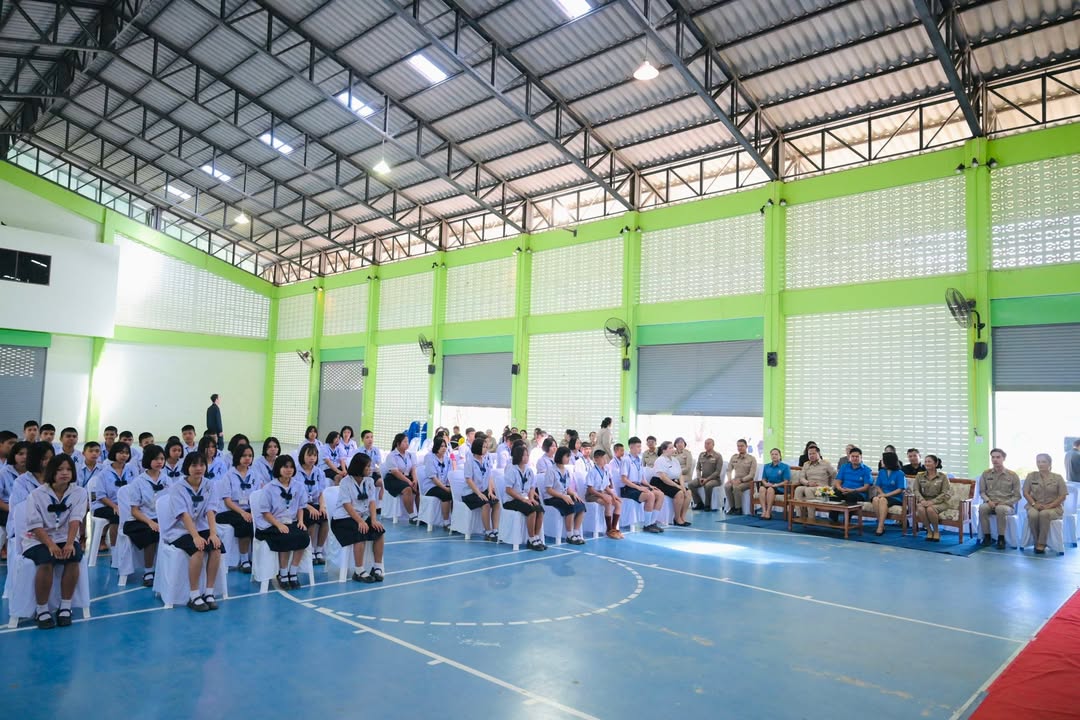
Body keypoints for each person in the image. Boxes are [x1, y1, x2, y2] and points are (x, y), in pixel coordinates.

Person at [23, 454, 87, 629]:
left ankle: (65, 606)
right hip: (37, 539)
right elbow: (35, 525)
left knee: (74, 556)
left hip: (65, 537)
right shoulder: (36, 495)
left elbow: (75, 519)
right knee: (46, 560)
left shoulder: (79, 493)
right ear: (51, 472)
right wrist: (50, 545)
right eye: (59, 470)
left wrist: (69, 543)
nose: (65, 473)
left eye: (68, 469)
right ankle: (42, 609)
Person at [162, 452, 223, 612]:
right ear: (187, 468)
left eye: (202, 465)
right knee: (198, 550)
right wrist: (195, 536)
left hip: (202, 527)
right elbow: (183, 515)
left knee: (216, 548)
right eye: (194, 465)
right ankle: (194, 595)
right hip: (179, 530)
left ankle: (209, 593)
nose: (198, 468)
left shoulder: (210, 485)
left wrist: (213, 533)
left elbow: (211, 510)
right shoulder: (178, 488)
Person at [254, 454, 311, 589]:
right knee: (285, 537)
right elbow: (265, 512)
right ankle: (283, 573)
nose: (289, 470)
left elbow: (301, 506)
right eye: (285, 467)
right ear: (278, 468)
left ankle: (293, 572)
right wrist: (278, 524)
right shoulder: (269, 488)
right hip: (271, 523)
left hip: (291, 521)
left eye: (291, 467)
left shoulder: (298, 486)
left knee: (303, 536)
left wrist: (301, 521)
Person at [330, 452, 385, 583]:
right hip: (343, 518)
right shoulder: (345, 482)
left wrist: (373, 519)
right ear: (359, 467)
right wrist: (360, 521)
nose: (370, 468)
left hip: (362, 516)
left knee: (379, 531)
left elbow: (372, 502)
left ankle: (377, 567)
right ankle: (359, 571)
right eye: (367, 466)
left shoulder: (369, 481)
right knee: (360, 532)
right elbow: (347, 505)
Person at [126, 444, 169, 587]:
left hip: (161, 518)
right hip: (140, 519)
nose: (159, 462)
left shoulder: (167, 480)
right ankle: (148, 571)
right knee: (151, 532)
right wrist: (150, 522)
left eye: (162, 459)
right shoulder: (138, 482)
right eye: (156, 459)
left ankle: (167, 569)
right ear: (148, 460)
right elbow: (134, 510)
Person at [218, 443, 258, 573]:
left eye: (250, 456)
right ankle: (244, 559)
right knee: (244, 522)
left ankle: (255, 557)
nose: (247, 458)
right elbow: (227, 501)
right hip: (230, 510)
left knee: (260, 520)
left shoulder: (254, 474)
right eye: (244, 455)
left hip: (249, 508)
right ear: (237, 457)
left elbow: (257, 495)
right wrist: (242, 513)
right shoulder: (229, 475)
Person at [1023, 453, 1067, 555]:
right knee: (1032, 514)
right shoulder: (1031, 476)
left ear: (1049, 463)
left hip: (1054, 507)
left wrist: (1049, 506)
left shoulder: (1058, 477)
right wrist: (1034, 504)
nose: (1040, 464)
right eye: (1038, 462)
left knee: (1044, 514)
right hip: (1035, 505)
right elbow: (1025, 492)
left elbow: (1063, 496)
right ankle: (1036, 541)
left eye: (1043, 462)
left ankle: (1041, 543)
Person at [504, 443, 545, 550]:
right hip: (511, 500)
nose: (527, 457)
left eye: (527, 455)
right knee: (532, 510)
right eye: (524, 455)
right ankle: (531, 539)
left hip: (525, 499)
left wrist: (531, 498)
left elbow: (532, 487)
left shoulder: (529, 470)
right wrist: (523, 499)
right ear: (518, 456)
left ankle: (536, 537)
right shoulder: (512, 470)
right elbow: (508, 490)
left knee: (540, 509)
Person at [541, 447, 586, 544]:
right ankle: (569, 535)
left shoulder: (566, 471)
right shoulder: (551, 470)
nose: (569, 458)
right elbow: (549, 489)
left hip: (564, 496)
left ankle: (576, 532)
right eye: (567, 456)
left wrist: (574, 494)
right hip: (551, 498)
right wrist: (563, 496)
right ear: (560, 456)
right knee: (570, 505)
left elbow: (567, 488)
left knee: (581, 505)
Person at [978, 448, 1021, 549]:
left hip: (1006, 505)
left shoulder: (1012, 475)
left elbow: (1017, 496)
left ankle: (1001, 538)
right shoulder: (986, 473)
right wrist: (988, 501)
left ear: (1004, 458)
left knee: (1000, 509)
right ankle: (987, 536)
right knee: (982, 508)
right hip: (990, 503)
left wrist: (1005, 502)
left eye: (998, 457)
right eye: (993, 457)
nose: (995, 460)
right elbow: (982, 492)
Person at [620, 437, 665, 533]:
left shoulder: (639, 460)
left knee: (660, 494)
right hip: (628, 488)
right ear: (631, 447)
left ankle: (652, 522)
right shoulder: (626, 460)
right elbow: (624, 479)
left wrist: (650, 486)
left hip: (638, 486)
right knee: (650, 495)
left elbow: (642, 479)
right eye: (638, 446)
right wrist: (639, 488)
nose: (640, 449)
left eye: (640, 446)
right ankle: (647, 525)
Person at [463, 436, 500, 541]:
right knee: (486, 504)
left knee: (496, 503)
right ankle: (488, 532)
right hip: (470, 493)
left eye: (486, 447)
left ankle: (495, 529)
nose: (486, 449)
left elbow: (489, 477)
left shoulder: (485, 460)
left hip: (483, 490)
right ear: (477, 447)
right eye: (484, 447)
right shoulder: (469, 462)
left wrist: (490, 491)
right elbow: (469, 480)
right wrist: (479, 494)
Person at [652, 441, 691, 527]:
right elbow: (663, 477)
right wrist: (678, 486)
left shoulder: (675, 460)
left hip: (671, 481)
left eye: (673, 447)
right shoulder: (660, 460)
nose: (673, 449)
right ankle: (677, 518)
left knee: (688, 493)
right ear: (664, 450)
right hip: (659, 482)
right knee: (679, 493)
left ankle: (682, 517)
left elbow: (680, 475)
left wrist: (682, 486)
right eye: (670, 448)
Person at [914, 455, 951, 542]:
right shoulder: (920, 476)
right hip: (924, 500)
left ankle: (936, 531)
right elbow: (916, 490)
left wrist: (933, 501)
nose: (927, 463)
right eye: (925, 461)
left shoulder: (943, 477)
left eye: (929, 461)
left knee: (930, 509)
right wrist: (922, 500)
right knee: (920, 508)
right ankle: (929, 531)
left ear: (936, 463)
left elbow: (945, 493)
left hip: (940, 502)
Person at [586, 449, 622, 539]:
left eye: (605, 458)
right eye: (603, 458)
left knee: (618, 503)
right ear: (596, 459)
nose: (605, 460)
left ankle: (614, 528)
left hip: (602, 493)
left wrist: (613, 495)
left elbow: (606, 486)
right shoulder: (592, 471)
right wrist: (603, 496)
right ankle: (609, 530)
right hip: (592, 495)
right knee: (608, 502)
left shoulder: (605, 470)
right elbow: (590, 489)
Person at [793, 446, 836, 521]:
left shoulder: (826, 463)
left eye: (813, 453)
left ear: (819, 453)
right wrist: (808, 483)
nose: (811, 456)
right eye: (809, 454)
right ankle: (799, 515)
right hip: (809, 485)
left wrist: (832, 488)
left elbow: (835, 476)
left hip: (824, 489)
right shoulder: (806, 464)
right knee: (798, 489)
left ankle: (811, 517)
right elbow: (801, 478)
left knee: (808, 490)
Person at [385, 432, 419, 524]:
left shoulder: (410, 455)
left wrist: (415, 480)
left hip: (407, 476)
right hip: (393, 479)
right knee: (407, 489)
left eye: (408, 441)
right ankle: (412, 516)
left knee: (420, 489)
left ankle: (420, 514)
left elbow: (413, 469)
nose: (407, 444)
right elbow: (395, 472)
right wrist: (409, 482)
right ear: (398, 443)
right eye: (405, 442)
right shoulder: (392, 455)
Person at [870, 451, 907, 535]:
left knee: (882, 500)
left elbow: (900, 489)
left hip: (896, 497)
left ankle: (880, 526)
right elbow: (878, 485)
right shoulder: (882, 472)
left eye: (883, 460)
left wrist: (885, 495)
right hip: (883, 495)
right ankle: (881, 524)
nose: (881, 461)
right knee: (875, 499)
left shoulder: (900, 473)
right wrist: (882, 494)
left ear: (888, 461)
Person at [421, 437, 452, 529]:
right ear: (436, 447)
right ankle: (446, 522)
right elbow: (433, 478)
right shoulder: (429, 458)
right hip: (431, 486)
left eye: (445, 446)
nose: (444, 448)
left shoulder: (447, 459)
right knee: (446, 494)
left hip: (443, 484)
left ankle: (453, 520)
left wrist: (451, 486)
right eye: (441, 446)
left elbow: (449, 475)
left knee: (455, 494)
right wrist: (446, 488)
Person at [723, 439, 758, 515]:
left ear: (746, 446)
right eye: (738, 446)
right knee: (727, 486)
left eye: (742, 446)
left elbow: (752, 475)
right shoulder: (734, 457)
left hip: (748, 482)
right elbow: (729, 470)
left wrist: (741, 480)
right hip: (736, 480)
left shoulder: (752, 459)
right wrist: (729, 479)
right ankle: (732, 508)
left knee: (736, 488)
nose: (740, 448)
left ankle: (738, 509)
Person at [689, 438, 723, 512]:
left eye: (708, 443)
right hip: (702, 478)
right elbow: (698, 468)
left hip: (715, 480)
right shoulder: (701, 455)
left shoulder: (718, 456)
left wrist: (707, 479)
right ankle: (699, 503)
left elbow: (717, 472)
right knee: (691, 484)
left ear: (713, 445)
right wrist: (699, 478)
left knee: (708, 485)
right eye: (705, 443)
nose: (706, 445)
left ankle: (707, 505)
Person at [758, 448, 791, 520]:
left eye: (776, 454)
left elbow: (786, 481)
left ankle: (768, 512)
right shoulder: (766, 466)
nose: (774, 456)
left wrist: (776, 485)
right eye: (772, 454)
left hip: (780, 487)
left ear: (780, 456)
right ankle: (764, 511)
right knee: (761, 488)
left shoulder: (785, 467)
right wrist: (765, 484)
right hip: (769, 485)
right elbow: (763, 479)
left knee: (770, 489)